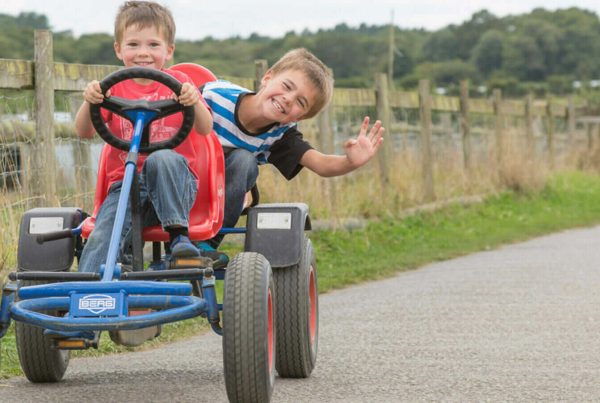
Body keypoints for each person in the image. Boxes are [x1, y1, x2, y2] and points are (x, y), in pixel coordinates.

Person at [198, 48, 384, 264]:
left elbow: (321, 164)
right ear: (267, 78)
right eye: (287, 86)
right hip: (178, 175)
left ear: (300, 117)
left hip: (220, 195)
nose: (287, 99)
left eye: (300, 103)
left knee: (244, 160)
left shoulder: (280, 135)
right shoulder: (212, 95)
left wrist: (350, 162)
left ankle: (208, 243)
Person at [74, 0, 213, 273]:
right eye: (133, 44)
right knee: (103, 234)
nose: (143, 53)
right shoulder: (111, 88)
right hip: (125, 187)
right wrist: (91, 101)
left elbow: (205, 128)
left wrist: (192, 100)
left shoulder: (180, 83)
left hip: (174, 185)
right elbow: (84, 131)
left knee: (161, 159)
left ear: (169, 50)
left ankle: (179, 237)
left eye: (153, 45)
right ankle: (87, 293)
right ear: (118, 49)